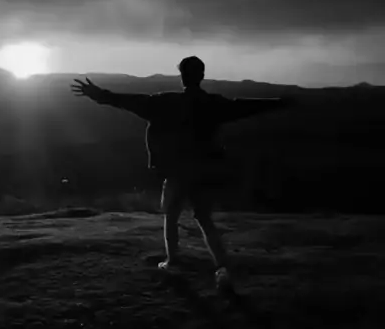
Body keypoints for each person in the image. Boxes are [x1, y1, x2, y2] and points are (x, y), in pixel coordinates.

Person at [71, 56, 289, 290]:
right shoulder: (212, 104)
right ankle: (222, 267)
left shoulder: (165, 102)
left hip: (177, 169)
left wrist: (98, 94)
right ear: (201, 75)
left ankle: (172, 260)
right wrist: (279, 102)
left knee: (171, 215)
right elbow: (244, 106)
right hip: (205, 168)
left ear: (182, 75)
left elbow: (127, 101)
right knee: (204, 218)